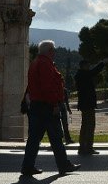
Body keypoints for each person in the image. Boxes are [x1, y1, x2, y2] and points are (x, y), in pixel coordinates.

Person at [21, 40, 80, 176]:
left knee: (34, 138)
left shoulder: (35, 63)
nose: (54, 52)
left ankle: (27, 166)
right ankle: (63, 165)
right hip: (46, 106)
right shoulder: (45, 64)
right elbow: (48, 87)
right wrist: (54, 104)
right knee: (56, 137)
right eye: (53, 50)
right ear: (49, 51)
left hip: (36, 106)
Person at [75, 57, 108, 156]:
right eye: (88, 65)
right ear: (84, 66)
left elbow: (92, 72)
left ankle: (83, 147)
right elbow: (94, 72)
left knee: (85, 126)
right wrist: (102, 63)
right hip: (87, 104)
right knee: (89, 126)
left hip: (85, 104)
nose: (89, 67)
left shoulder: (80, 75)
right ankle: (88, 147)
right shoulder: (83, 74)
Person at [59, 73, 74, 145]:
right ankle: (63, 138)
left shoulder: (64, 90)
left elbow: (66, 101)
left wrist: (68, 109)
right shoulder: (58, 89)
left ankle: (67, 138)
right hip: (59, 106)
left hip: (62, 107)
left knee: (65, 124)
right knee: (61, 124)